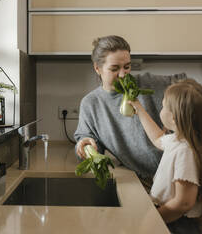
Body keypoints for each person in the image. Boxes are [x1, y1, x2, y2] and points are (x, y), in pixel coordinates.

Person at [74, 35, 185, 181]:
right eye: (114, 69)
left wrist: (177, 123)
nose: (122, 74)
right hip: (141, 181)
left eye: (127, 67)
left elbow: (187, 87)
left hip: (176, 176)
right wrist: (85, 145)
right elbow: (88, 143)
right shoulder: (91, 103)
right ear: (97, 68)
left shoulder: (148, 83)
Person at [128, 79, 202, 233]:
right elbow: (157, 139)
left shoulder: (185, 152)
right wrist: (139, 108)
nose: (161, 107)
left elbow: (183, 203)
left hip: (180, 224)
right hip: (174, 218)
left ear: (173, 118)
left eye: (164, 105)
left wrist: (152, 219)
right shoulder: (178, 140)